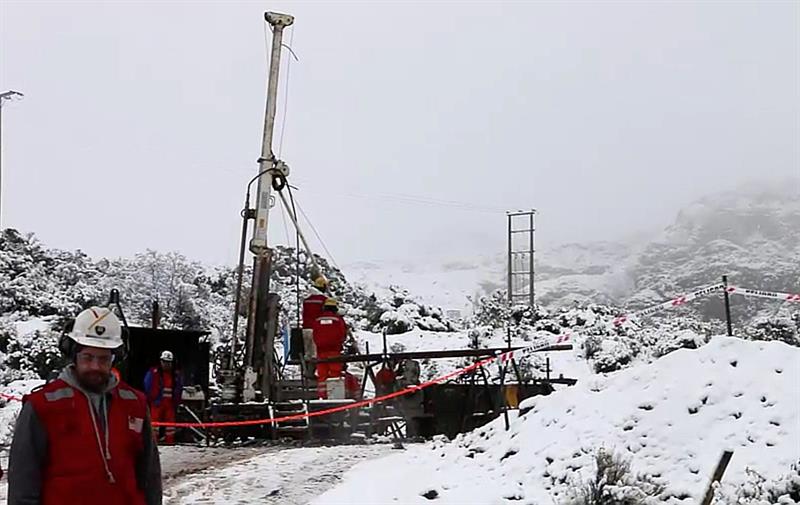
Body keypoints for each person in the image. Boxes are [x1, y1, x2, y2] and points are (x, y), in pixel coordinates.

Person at [8, 306, 161, 505]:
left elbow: (149, 475)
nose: (95, 366)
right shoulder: (42, 406)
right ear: (74, 354)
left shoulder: (135, 403)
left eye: (104, 358)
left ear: (115, 358)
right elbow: (23, 481)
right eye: (87, 357)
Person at [311, 297, 347, 398]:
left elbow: (314, 335)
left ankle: (322, 396)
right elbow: (343, 334)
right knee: (335, 373)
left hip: (321, 351)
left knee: (322, 375)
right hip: (334, 351)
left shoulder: (318, 320)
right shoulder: (338, 319)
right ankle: (335, 396)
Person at [144, 350, 182, 445]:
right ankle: (153, 442)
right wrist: (152, 398)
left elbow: (178, 387)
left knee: (170, 425)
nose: (166, 364)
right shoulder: (154, 372)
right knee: (154, 424)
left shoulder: (175, 375)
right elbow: (147, 385)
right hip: (157, 402)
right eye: (165, 362)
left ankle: (170, 442)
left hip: (170, 403)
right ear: (161, 361)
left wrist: (176, 401)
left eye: (168, 362)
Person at [301, 275, 328, 379]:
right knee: (315, 354)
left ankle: (307, 374)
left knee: (307, 353)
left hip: (305, 329)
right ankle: (312, 374)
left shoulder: (307, 300)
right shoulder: (323, 300)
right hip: (316, 329)